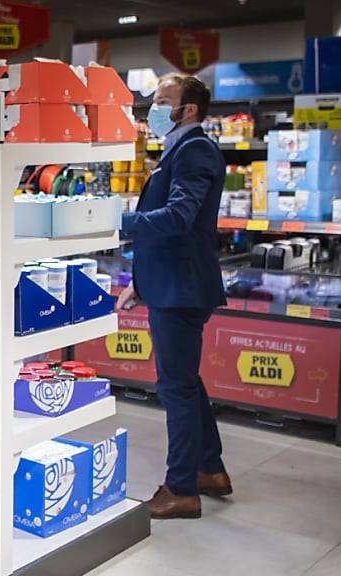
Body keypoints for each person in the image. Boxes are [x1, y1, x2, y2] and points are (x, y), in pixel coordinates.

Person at [116, 74, 231, 520]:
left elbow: (179, 217)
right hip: (170, 282)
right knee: (186, 382)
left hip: (181, 288)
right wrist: (141, 282)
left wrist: (115, 220)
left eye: (164, 101)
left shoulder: (195, 149)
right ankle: (209, 470)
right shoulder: (177, 148)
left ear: (189, 110)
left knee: (176, 387)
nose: (155, 109)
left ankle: (181, 489)